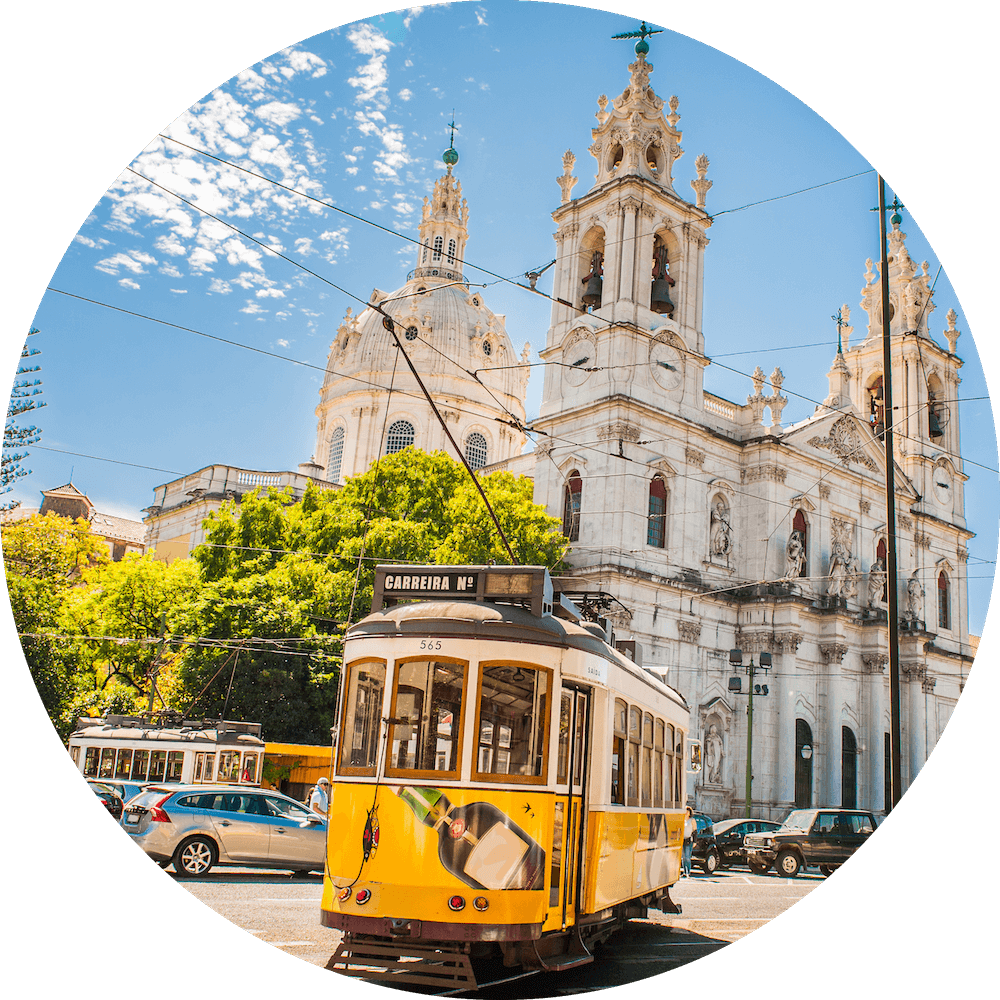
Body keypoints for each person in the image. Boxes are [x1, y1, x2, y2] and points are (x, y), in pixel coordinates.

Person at [682, 805, 695, 877]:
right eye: (685, 811)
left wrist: (695, 841)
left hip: (688, 840)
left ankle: (688, 872)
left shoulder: (692, 820)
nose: (686, 813)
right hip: (682, 840)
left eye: (688, 812)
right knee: (683, 857)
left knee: (687, 857)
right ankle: (684, 871)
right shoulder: (682, 820)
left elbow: (694, 831)